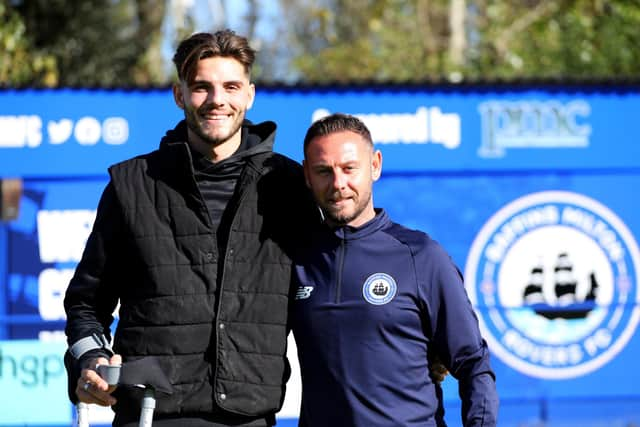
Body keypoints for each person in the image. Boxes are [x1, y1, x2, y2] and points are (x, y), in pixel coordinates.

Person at [63, 30, 315, 426]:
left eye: (231, 86)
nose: (218, 100)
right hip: (147, 414)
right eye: (202, 87)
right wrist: (91, 361)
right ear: (180, 95)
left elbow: (335, 297)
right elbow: (85, 305)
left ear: (249, 95)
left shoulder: (291, 188)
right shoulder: (131, 186)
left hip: (252, 416)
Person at [291, 113, 499, 426]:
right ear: (307, 174)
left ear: (375, 165)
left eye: (350, 168)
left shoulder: (421, 256)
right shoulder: (295, 259)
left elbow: (474, 364)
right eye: (324, 171)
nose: (338, 184)